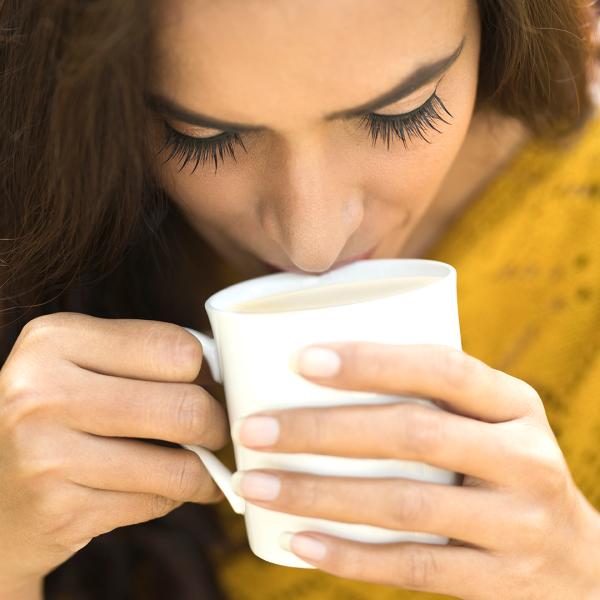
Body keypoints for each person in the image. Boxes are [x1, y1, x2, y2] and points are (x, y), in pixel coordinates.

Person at [1, 1, 599, 598]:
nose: (312, 244)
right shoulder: (34, 245)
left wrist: (579, 570)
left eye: (400, 114)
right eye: (205, 137)